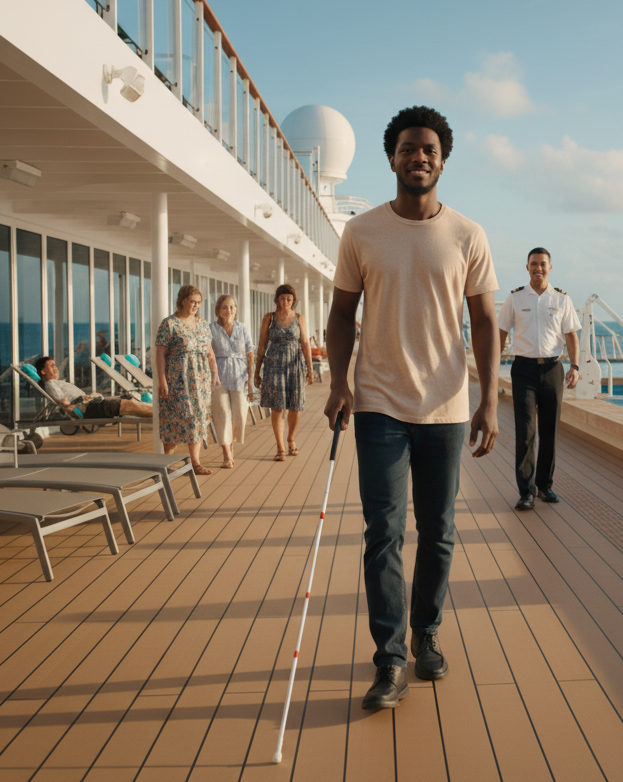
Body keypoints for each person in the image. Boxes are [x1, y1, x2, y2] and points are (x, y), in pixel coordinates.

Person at [324, 106, 500, 710]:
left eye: (428, 149)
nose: (417, 157)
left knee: (440, 533)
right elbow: (342, 314)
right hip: (377, 405)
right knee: (383, 534)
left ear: (442, 160)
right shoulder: (362, 232)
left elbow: (483, 321)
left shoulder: (468, 235)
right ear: (392, 157)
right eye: (407, 148)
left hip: (447, 405)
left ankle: (426, 632)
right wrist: (339, 383)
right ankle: (391, 659)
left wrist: (489, 401)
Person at [498, 248, 581, 511]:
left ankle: (545, 486)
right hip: (523, 370)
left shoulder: (561, 299)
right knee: (525, 433)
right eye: (534, 264)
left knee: (549, 431)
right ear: (527, 267)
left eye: (543, 264)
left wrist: (575, 366)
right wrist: (491, 365)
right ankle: (526, 492)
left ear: (550, 267)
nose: (538, 268)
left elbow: (571, 336)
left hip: (553, 370)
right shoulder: (515, 298)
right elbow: (500, 332)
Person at [155, 284, 220, 476]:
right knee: (175, 419)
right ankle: (167, 460)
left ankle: (196, 463)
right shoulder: (169, 324)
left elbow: (210, 351)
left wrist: (215, 373)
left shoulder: (202, 324)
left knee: (198, 419)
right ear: (183, 300)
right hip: (177, 381)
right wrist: (162, 380)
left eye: (198, 303)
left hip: (201, 381)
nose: (195, 306)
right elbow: (160, 354)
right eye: (192, 301)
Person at [255, 284, 313, 461]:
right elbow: (262, 345)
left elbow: (305, 344)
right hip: (274, 366)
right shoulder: (269, 318)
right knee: (277, 406)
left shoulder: (299, 318)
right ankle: (280, 447)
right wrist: (257, 371)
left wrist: (310, 369)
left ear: (293, 300)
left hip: (295, 365)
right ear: (277, 299)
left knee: (296, 405)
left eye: (289, 298)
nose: (285, 301)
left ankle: (291, 439)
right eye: (282, 298)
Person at [210, 294, 255, 469]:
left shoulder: (242, 328)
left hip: (239, 376)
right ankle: (226, 454)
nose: (229, 310)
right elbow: (208, 353)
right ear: (218, 310)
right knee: (222, 414)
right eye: (225, 307)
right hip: (218, 376)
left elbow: (250, 354)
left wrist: (250, 381)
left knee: (239, 415)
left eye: (232, 307)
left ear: (235, 309)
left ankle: (231, 445)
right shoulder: (211, 328)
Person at [35, 356, 152, 418]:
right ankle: (160, 413)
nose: (55, 368)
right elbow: (64, 402)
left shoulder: (57, 382)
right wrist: (81, 400)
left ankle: (159, 410)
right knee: (128, 404)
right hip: (90, 407)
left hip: (92, 403)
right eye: (52, 366)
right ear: (43, 371)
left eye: (55, 365)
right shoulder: (50, 384)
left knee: (128, 398)